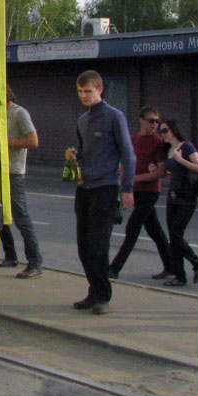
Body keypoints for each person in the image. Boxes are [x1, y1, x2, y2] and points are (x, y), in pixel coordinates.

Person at [65, 70, 135, 314]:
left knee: (98, 244)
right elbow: (83, 150)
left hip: (106, 187)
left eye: (88, 91)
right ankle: (93, 291)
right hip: (84, 187)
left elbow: (128, 153)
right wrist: (75, 155)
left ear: (100, 90)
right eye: (81, 91)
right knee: (83, 246)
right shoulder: (83, 120)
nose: (84, 95)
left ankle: (103, 295)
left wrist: (127, 189)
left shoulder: (115, 117)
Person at [110, 106, 172, 280]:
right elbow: (126, 162)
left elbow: (160, 172)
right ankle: (171, 266)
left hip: (150, 191)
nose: (154, 124)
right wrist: (120, 173)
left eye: (157, 121)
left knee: (133, 228)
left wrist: (134, 179)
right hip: (136, 190)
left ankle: (114, 268)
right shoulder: (134, 139)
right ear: (141, 120)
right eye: (151, 120)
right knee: (155, 231)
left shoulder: (158, 142)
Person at [158, 119, 198, 287]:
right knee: (173, 237)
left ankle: (197, 262)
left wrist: (180, 160)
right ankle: (180, 276)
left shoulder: (186, 147)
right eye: (161, 131)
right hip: (172, 196)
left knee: (177, 234)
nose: (162, 134)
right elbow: (172, 171)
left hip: (187, 197)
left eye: (165, 131)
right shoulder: (168, 149)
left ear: (173, 131)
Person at [1, 87, 43, 279]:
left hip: (13, 171)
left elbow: (33, 141)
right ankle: (10, 256)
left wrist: (7, 142)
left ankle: (35, 262)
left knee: (21, 217)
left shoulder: (19, 113)